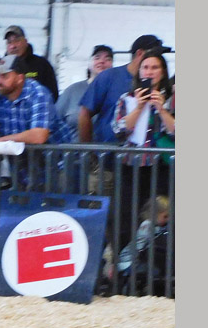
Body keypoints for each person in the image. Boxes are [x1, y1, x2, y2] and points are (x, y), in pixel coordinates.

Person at [0, 53, 74, 192]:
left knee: (57, 203)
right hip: (24, 167)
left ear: (20, 78)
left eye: (5, 76)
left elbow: (39, 135)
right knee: (27, 202)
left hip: (58, 163)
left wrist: (2, 140)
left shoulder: (38, 94)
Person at [110, 48, 175, 253]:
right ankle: (121, 263)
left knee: (164, 217)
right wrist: (139, 107)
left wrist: (162, 109)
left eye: (155, 67)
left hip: (162, 166)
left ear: (162, 72)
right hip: (132, 165)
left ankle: (159, 263)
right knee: (126, 216)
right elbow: (119, 130)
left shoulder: (172, 99)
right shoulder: (127, 98)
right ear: (139, 72)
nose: (149, 71)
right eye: (145, 67)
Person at [79, 34, 172, 145]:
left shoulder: (166, 93)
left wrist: (162, 109)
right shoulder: (109, 77)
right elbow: (85, 113)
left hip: (152, 151)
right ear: (139, 53)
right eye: (156, 53)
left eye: (156, 67)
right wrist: (88, 150)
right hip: (109, 149)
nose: (157, 58)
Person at [114, 194, 172, 296]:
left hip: (136, 258)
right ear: (154, 214)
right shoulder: (147, 225)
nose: (167, 219)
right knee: (156, 270)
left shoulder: (154, 226)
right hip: (130, 261)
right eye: (165, 216)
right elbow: (143, 246)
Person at [56, 45, 113, 132]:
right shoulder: (72, 91)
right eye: (97, 58)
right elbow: (54, 121)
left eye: (108, 59)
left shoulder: (117, 91)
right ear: (89, 64)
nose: (102, 61)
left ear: (112, 65)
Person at [2, 25, 59, 102]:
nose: (13, 46)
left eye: (17, 41)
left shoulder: (42, 64)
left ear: (26, 42)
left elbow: (52, 95)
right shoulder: (1, 68)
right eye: (9, 42)